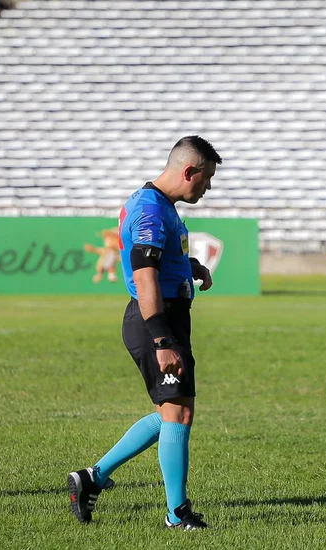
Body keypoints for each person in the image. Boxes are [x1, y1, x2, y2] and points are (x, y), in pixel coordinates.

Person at [68, 136, 220, 530]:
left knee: (169, 414)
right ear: (188, 171)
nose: (208, 187)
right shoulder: (151, 209)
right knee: (179, 413)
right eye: (206, 179)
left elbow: (160, 259)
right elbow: (144, 273)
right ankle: (177, 514)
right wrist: (161, 340)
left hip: (163, 318)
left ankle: (91, 478)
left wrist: (189, 266)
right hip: (157, 321)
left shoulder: (158, 205)